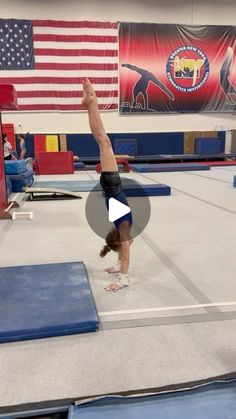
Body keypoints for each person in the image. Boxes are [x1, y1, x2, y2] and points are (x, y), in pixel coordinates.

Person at [82, 78, 133, 292]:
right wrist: (119, 270)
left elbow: (126, 254)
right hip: (109, 186)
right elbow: (124, 253)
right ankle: (91, 101)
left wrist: (121, 275)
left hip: (112, 185)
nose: (127, 247)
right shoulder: (120, 228)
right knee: (102, 141)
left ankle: (92, 101)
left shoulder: (124, 228)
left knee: (103, 140)